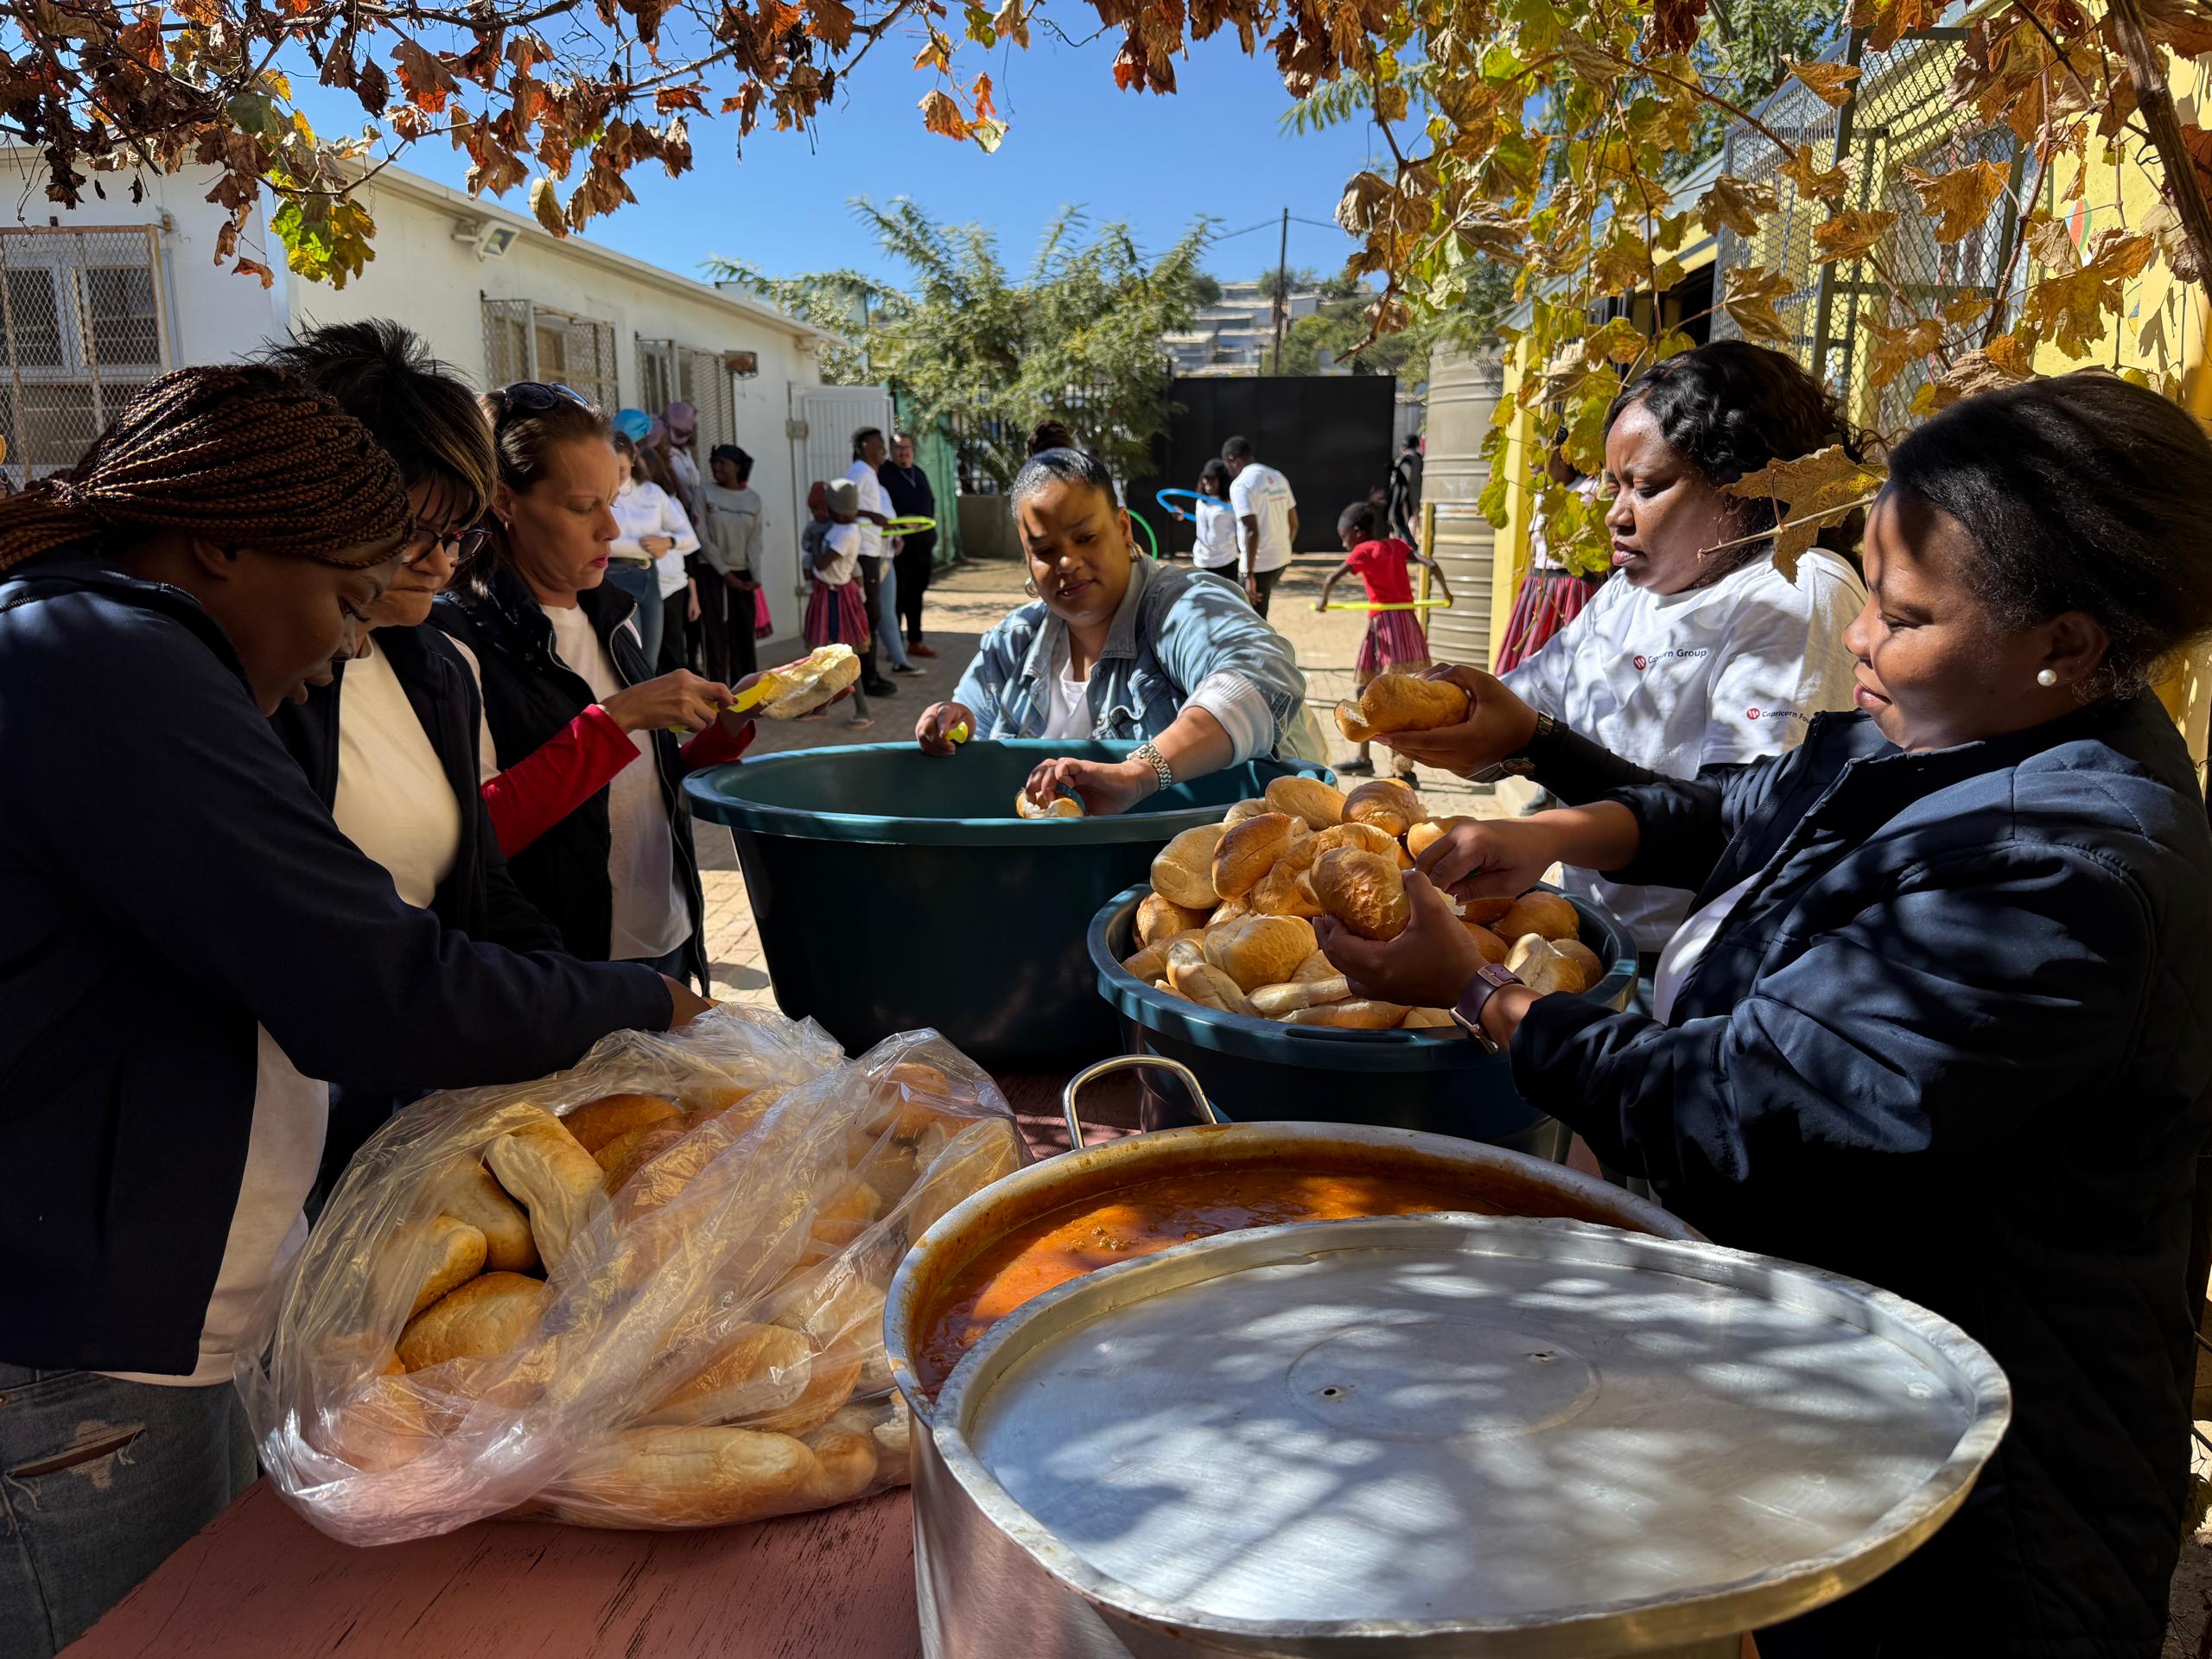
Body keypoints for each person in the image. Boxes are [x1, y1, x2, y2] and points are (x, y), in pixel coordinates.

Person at [1320, 372, 2212, 1659]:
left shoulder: (2063, 875)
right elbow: (1746, 810)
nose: (1860, 637)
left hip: (1972, 1518)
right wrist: (1548, 807)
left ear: (2067, 645)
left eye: (1901, 616)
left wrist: (1479, 992)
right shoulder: (1960, 727)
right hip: (1832, 1401)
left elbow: (1741, 1106)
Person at [0, 365, 712, 1659]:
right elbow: (367, 982)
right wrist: (646, 1004)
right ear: (222, 542)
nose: (344, 645)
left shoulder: (142, 647)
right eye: (342, 597)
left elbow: (446, 922)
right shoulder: (103, 660)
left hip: (195, 1297)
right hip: (70, 1342)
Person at [1387, 340, 1869, 979]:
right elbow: (1520, 709)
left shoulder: (1793, 592)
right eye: (1614, 486)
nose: (1616, 514)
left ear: (1748, 486)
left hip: (1705, 974)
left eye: (1647, 487)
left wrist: (1536, 750)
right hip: (1598, 945)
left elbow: (1740, 830)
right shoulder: (1630, 594)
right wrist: (1453, 722)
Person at [258, 321, 565, 1199]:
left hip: (397, 1108)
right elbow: (337, 953)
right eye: (412, 532)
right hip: (272, 1126)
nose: (438, 563)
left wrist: (575, 995)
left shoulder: (438, 668)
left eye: (458, 534)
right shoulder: (251, 687)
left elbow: (480, 883)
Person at [435, 385, 751, 984]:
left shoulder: (609, 614)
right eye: (583, 507)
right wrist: (617, 718)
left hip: (668, 938)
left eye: (612, 500)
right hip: (565, 970)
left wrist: (730, 727)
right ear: (505, 501)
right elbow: (478, 834)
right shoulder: (456, 639)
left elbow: (642, 785)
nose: (611, 528)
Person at [917, 421, 1316, 812]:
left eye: (1085, 537)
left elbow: (1262, 677)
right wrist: (949, 727)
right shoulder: (1012, 644)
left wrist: (1141, 773)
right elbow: (969, 748)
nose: (1067, 562)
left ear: (1123, 528)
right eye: (1044, 551)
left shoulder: (1181, 607)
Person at [1315, 499, 1452, 781]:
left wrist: (1323, 601)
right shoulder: (1396, 546)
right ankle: (1367, 758)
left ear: (1358, 532)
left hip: (1385, 626)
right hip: (1404, 622)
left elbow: (1331, 578)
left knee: (1386, 695)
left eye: (1344, 537)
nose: (1344, 544)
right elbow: (1431, 563)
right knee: (1369, 690)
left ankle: (1401, 767)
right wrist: (1446, 593)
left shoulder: (1364, 551)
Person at [1492, 442, 1605, 676]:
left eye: (1541, 454)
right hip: (1538, 586)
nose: (1532, 462)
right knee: (1525, 664)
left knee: (1565, 664)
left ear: (1563, 457)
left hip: (1572, 589)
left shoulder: (1591, 491)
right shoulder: (1542, 494)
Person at [804, 477, 875, 729]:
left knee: (844, 657)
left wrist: (813, 545)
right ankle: (821, 706)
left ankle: (863, 710)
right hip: (827, 594)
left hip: (837, 598)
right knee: (824, 654)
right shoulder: (838, 526)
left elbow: (822, 563)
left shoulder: (847, 534)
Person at [697, 442, 764, 685]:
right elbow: (702, 536)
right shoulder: (704, 493)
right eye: (713, 462)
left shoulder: (753, 499)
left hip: (742, 576)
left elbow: (755, 540)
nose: (716, 467)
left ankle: (745, 690)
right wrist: (726, 574)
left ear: (737, 467)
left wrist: (755, 577)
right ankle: (717, 689)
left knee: (743, 636)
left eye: (722, 463)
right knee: (716, 635)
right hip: (712, 574)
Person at [845, 426, 904, 694]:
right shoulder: (860, 471)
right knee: (870, 614)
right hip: (863, 552)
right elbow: (843, 505)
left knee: (874, 613)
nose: (884, 450)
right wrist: (872, 516)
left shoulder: (869, 474)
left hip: (873, 550)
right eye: (879, 445)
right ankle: (867, 678)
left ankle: (869, 675)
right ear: (865, 447)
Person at [1221, 433, 1298, 616]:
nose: (1228, 471)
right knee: (1256, 616)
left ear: (1233, 460)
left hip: (1258, 565)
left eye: (1227, 466)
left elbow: (1251, 530)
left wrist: (1249, 575)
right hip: (1281, 559)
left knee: (1248, 620)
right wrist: (1283, 549)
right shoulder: (1278, 477)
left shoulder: (1241, 485)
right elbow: (1294, 524)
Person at [880, 430, 939, 658]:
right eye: (899, 448)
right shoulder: (884, 473)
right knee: (897, 596)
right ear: (891, 450)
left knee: (916, 593)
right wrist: (899, 529)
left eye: (907, 448)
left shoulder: (919, 473)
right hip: (898, 546)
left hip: (922, 545)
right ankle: (895, 646)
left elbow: (930, 503)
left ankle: (916, 640)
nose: (903, 452)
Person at [1166, 457, 1239, 576]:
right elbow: (1201, 525)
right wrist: (1182, 517)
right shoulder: (1200, 501)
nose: (1208, 483)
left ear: (1223, 481)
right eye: (1206, 478)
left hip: (1225, 562)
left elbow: (1241, 528)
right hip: (1201, 561)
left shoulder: (1231, 504)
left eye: (1213, 479)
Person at [662, 398, 703, 523]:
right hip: (680, 518)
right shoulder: (669, 457)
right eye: (693, 426)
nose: (696, 431)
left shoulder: (686, 454)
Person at [1385, 431, 1422, 543]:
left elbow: (1401, 482)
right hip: (1417, 498)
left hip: (1405, 500)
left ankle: (1410, 548)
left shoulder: (1407, 459)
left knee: (1402, 526)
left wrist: (1395, 504)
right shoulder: (1419, 458)